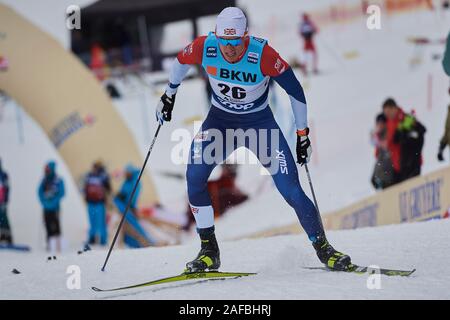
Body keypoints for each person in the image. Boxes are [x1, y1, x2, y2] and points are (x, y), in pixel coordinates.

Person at [155, 7, 352, 272]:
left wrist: (302, 134)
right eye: (224, 42)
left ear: (245, 37)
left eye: (235, 42)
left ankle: (324, 248)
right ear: (217, 37)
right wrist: (169, 94)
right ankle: (209, 250)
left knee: (291, 190)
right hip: (221, 123)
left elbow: (295, 91)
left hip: (259, 125)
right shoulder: (206, 46)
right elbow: (180, 62)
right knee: (194, 175)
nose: (230, 49)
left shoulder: (263, 55)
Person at [38, 161, 65, 253]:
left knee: (56, 226)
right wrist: (44, 202)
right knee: (47, 226)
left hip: (55, 208)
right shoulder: (44, 181)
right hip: (46, 208)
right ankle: (49, 245)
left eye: (48, 169)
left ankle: (58, 246)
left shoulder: (58, 180)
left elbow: (62, 193)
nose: (46, 171)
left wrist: (53, 202)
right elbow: (39, 192)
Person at [83, 161, 111, 246]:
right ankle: (94, 238)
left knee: (100, 221)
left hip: (98, 202)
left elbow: (108, 188)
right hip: (93, 202)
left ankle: (102, 239)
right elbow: (85, 187)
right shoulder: (91, 176)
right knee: (94, 221)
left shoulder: (102, 176)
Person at [371, 113, 395, 189]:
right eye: (378, 123)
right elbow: (379, 160)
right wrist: (375, 176)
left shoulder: (391, 137)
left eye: (382, 123)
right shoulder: (379, 141)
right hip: (383, 179)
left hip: (391, 178)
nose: (379, 125)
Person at [0, 158, 12, 244]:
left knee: (4, 219)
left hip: (2, 202)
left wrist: (5, 200)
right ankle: (2, 237)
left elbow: (7, 188)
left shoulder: (3, 175)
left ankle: (8, 238)